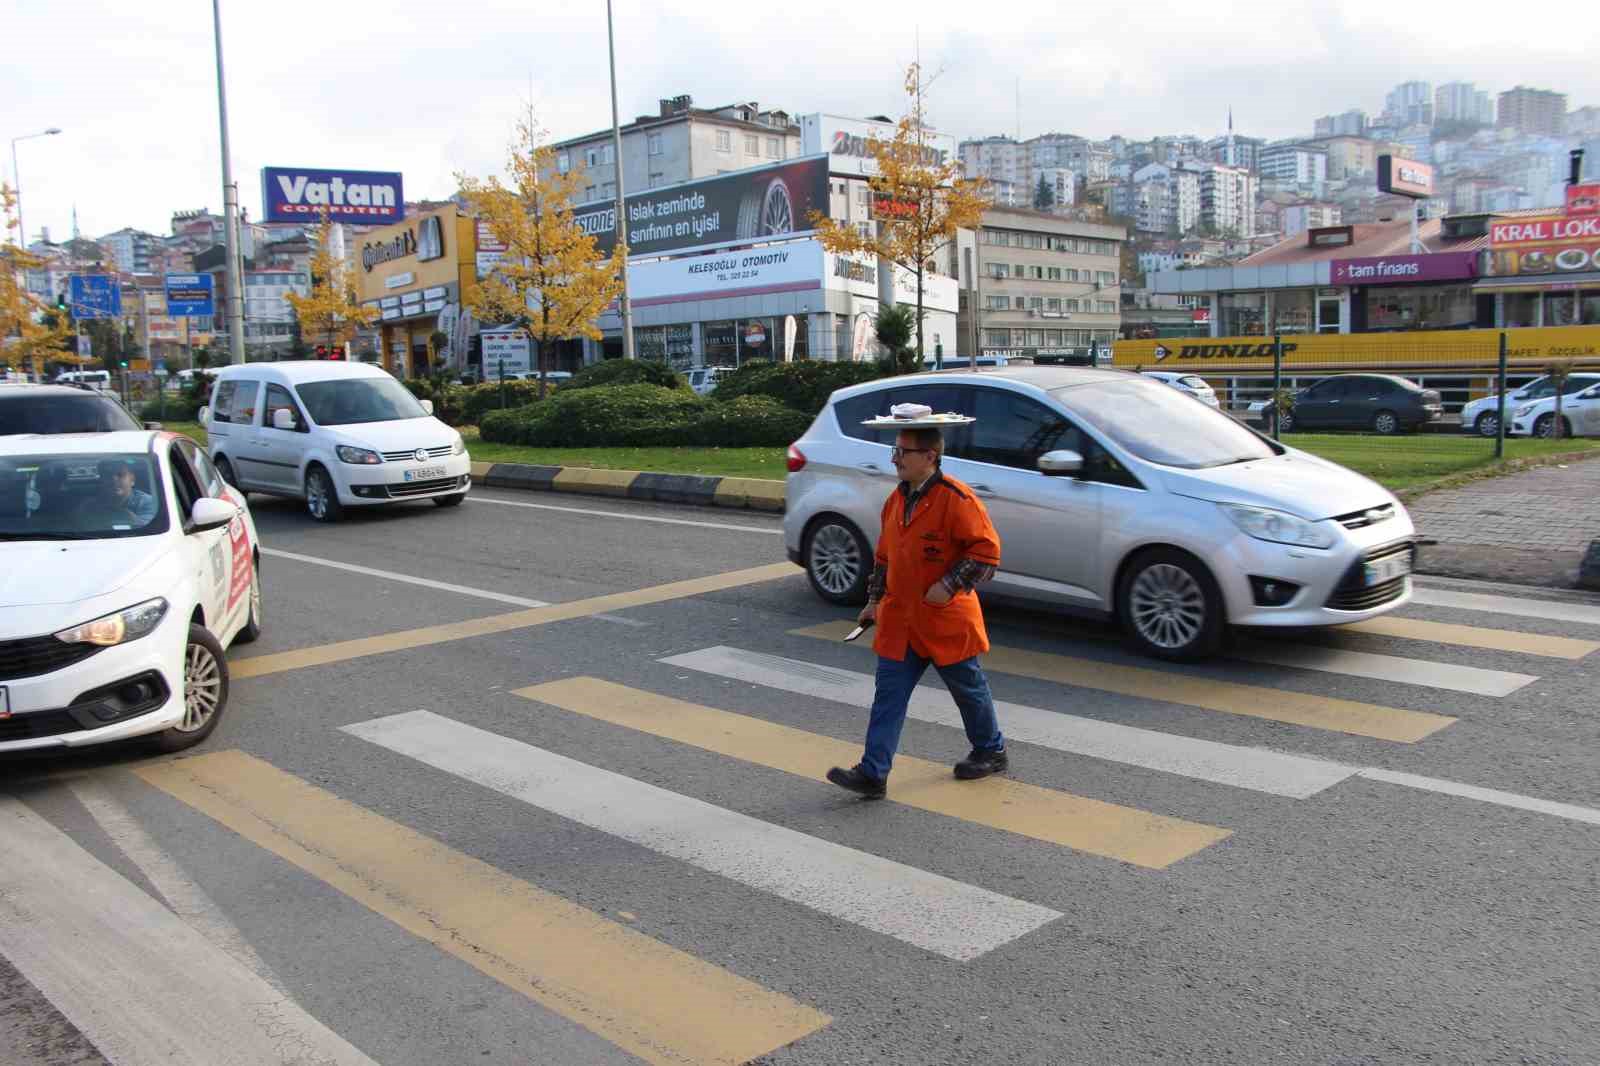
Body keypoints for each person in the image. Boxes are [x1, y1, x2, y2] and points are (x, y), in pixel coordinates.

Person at [827, 420, 1007, 799]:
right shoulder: (896, 501)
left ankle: (991, 750)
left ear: (930, 456)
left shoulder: (957, 500)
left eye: (902, 452)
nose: (895, 460)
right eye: (894, 451)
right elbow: (884, 559)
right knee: (887, 698)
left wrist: (948, 585)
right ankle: (873, 773)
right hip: (900, 621)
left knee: (969, 690)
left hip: (943, 619)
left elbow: (986, 553)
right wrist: (874, 601)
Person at [81, 458, 157, 527]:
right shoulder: (89, 507)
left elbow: (148, 530)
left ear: (132, 480)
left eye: (121, 475)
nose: (114, 479)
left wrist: (126, 516)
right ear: (101, 481)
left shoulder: (149, 503)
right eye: (108, 475)